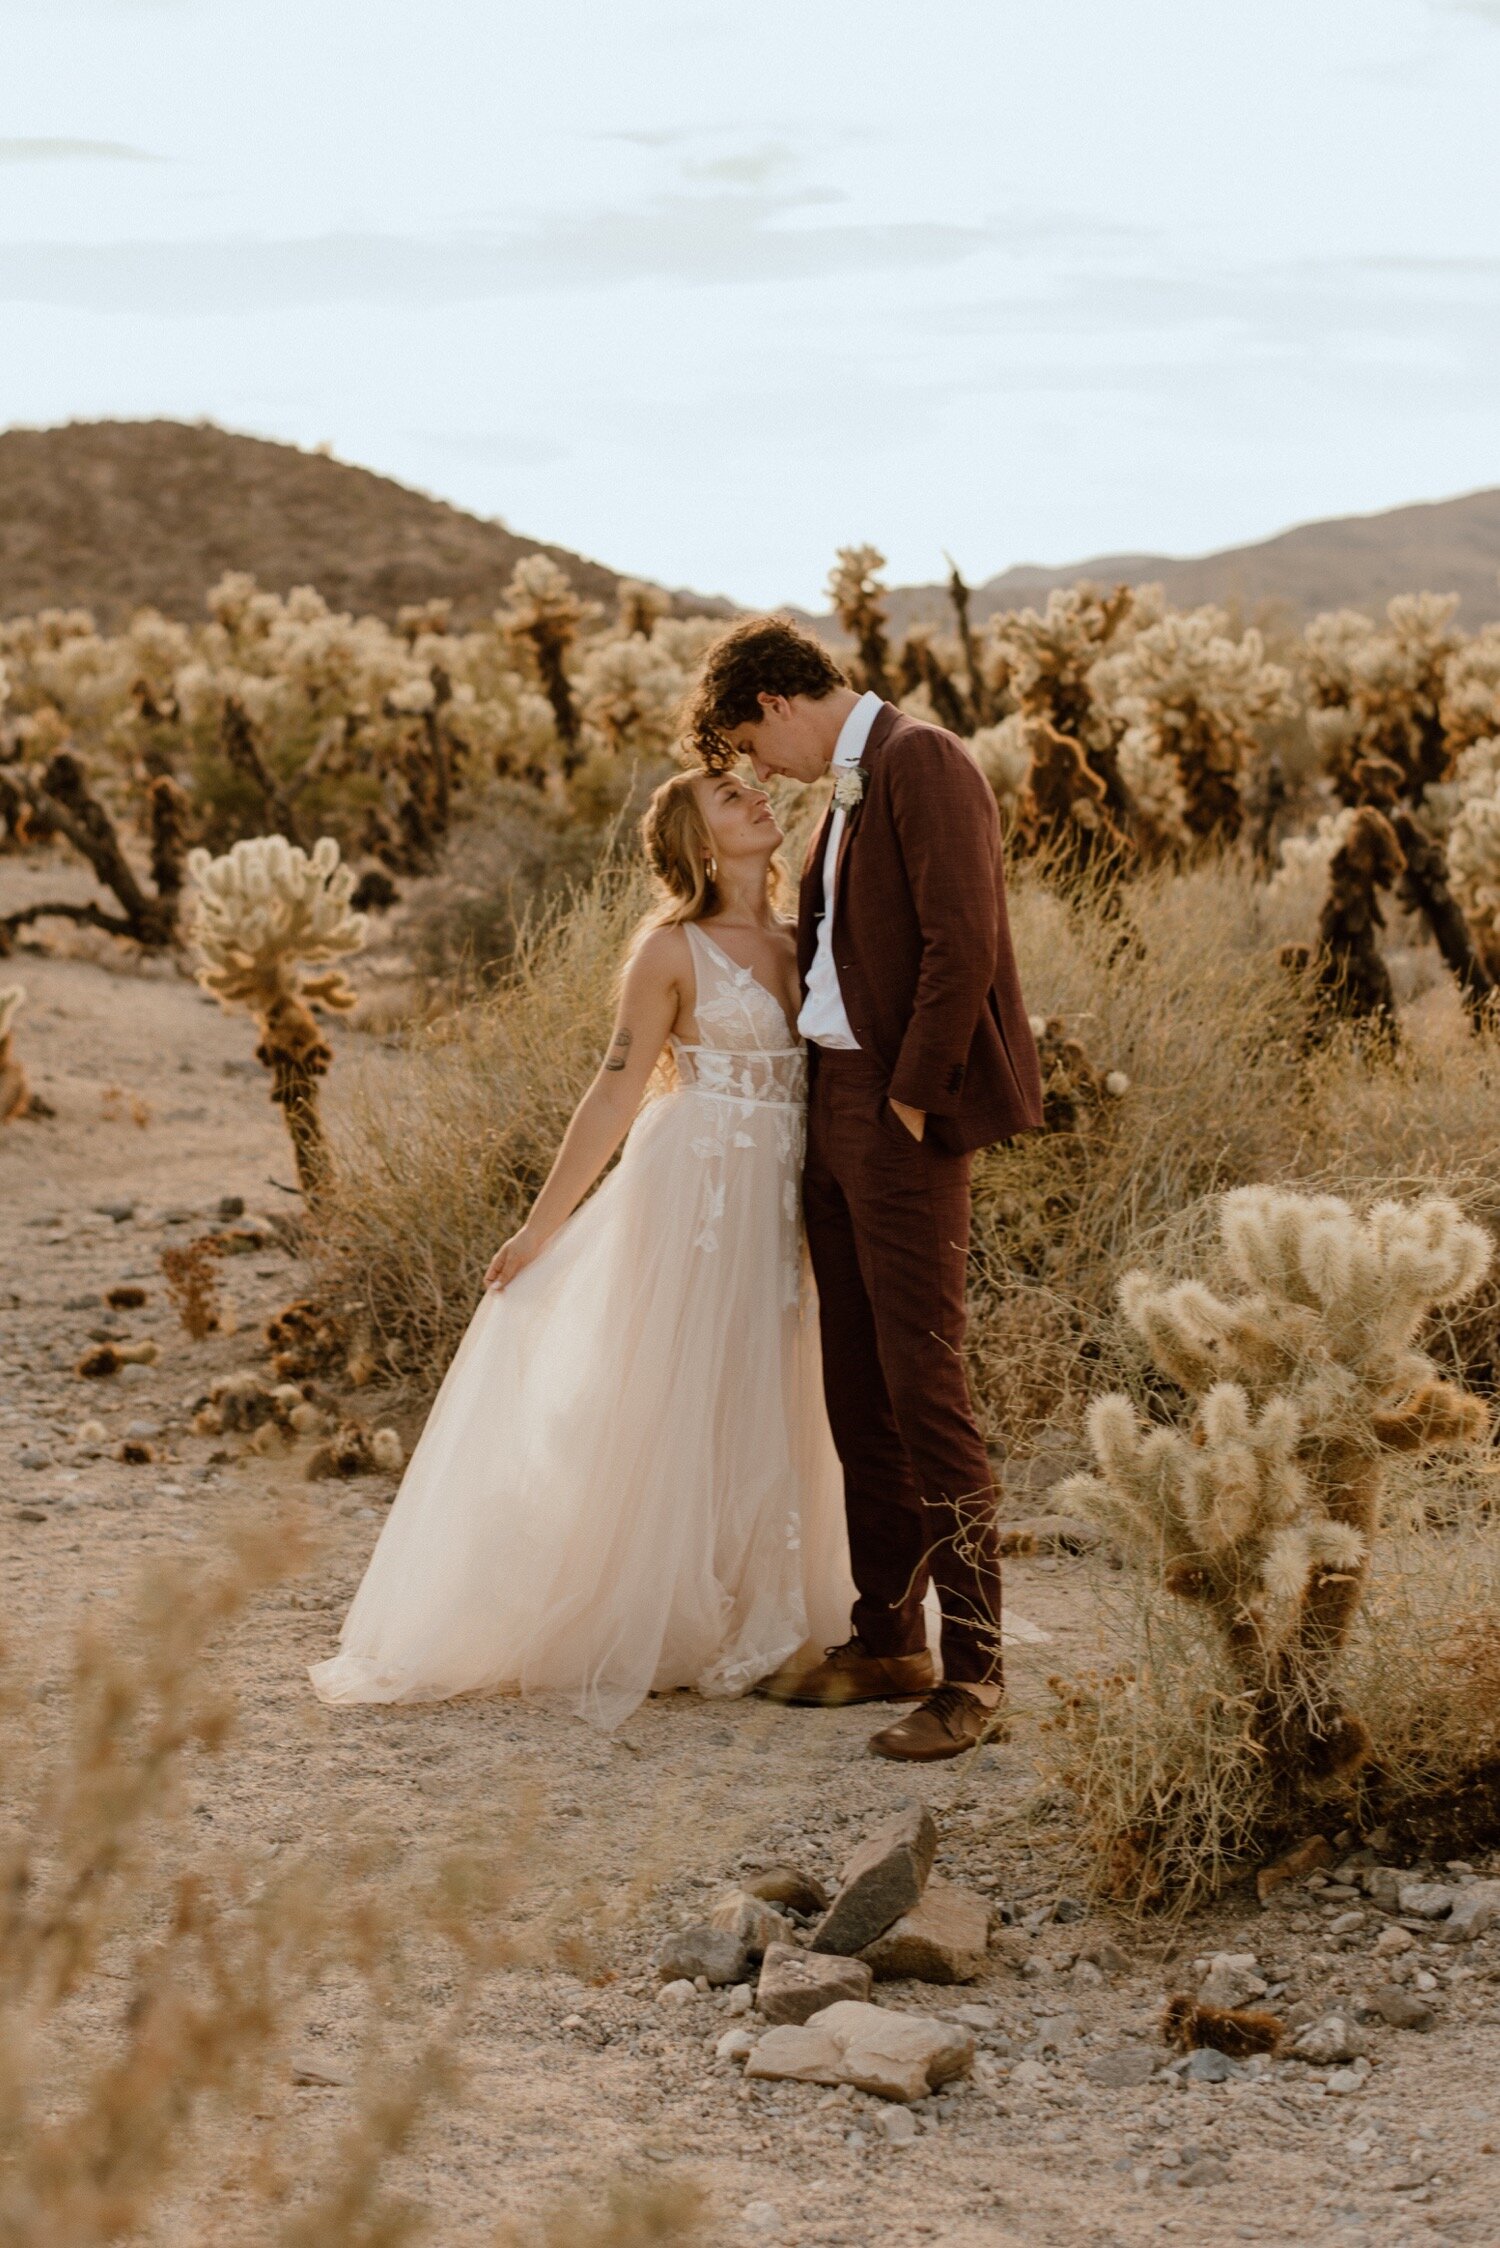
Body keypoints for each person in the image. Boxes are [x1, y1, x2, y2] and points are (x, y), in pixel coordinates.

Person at [308, 766, 855, 1730]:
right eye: (731, 799)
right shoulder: (669, 951)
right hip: (698, 1189)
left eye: (753, 790)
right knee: (685, 1384)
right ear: (696, 843)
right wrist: (539, 1228)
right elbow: (614, 1091)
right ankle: (697, 1611)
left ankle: (767, 1601)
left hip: (788, 1189)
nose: (759, 801)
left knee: (781, 1382)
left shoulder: (800, 934)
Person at [686, 616, 1043, 1762]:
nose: (761, 771)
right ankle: (887, 1632)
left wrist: (910, 1094)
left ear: (781, 704)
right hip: (830, 1106)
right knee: (857, 1383)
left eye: (753, 743)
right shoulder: (848, 784)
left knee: (924, 1382)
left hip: (895, 1110)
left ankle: (977, 1670)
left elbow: (963, 942)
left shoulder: (922, 761)